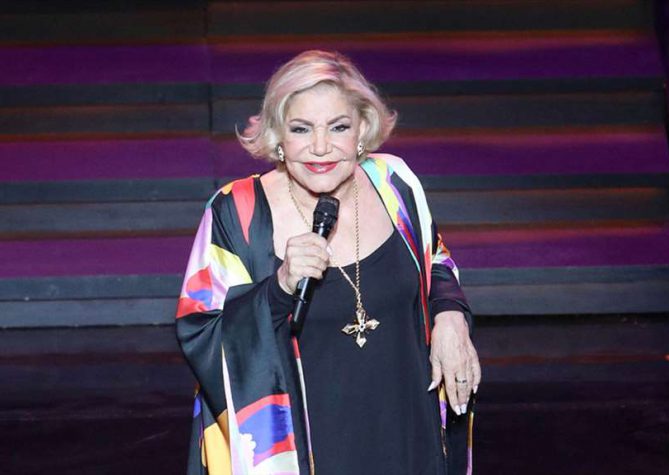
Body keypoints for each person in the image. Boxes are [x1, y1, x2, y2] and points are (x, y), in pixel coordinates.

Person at [176, 50, 480, 475]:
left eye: (338, 127)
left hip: (408, 431)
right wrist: (279, 287)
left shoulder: (395, 183)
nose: (320, 147)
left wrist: (450, 315)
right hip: (308, 451)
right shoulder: (237, 212)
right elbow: (201, 329)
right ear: (278, 136)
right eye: (301, 129)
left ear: (362, 129)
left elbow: (435, 260)